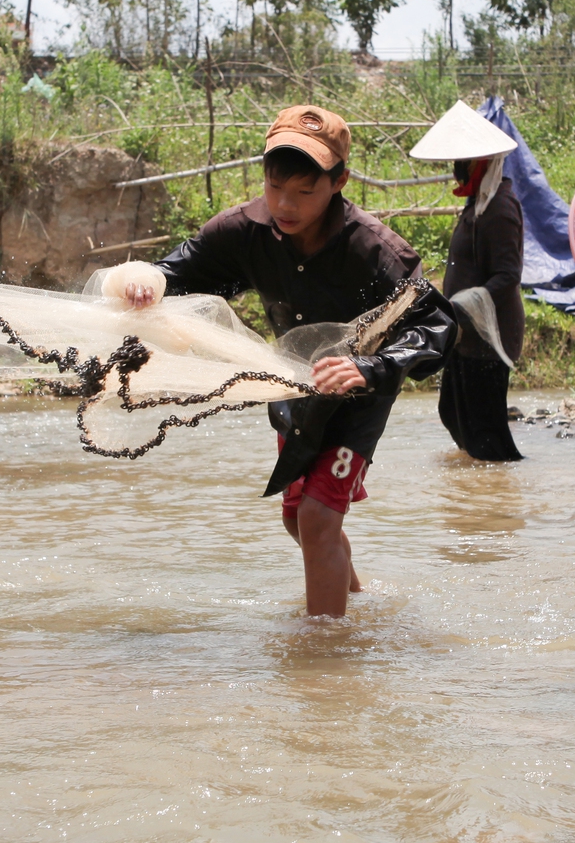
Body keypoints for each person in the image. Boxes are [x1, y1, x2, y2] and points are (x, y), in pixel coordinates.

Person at [98, 105, 455, 616]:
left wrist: (370, 369)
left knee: (316, 517)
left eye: (304, 192)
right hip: (293, 385)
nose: (284, 205)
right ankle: (360, 603)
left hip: (358, 390)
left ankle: (325, 658)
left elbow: (437, 324)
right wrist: (146, 283)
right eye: (273, 187)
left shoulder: (376, 250)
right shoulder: (243, 230)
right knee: (298, 520)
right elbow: (180, 271)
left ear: (339, 182)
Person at [410, 101, 525, 462]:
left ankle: (496, 492)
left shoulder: (500, 208)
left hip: (489, 336)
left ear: (483, 164)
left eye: (464, 162)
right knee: (453, 412)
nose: (457, 170)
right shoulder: (479, 203)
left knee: (486, 429)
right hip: (465, 332)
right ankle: (481, 481)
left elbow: (507, 276)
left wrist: (460, 305)